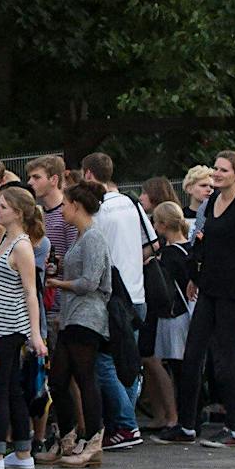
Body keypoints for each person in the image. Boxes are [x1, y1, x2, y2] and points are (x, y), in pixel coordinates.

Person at [162, 151, 235, 447]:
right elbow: (203, 242)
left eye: (223, 170)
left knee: (225, 356)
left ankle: (233, 427)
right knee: (192, 354)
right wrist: (194, 276)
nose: (217, 174)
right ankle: (187, 424)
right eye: (215, 169)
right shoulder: (210, 204)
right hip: (208, 287)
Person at [40, 181, 112, 468]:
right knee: (58, 380)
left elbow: (90, 282)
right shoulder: (82, 237)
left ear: (77, 206)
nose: (63, 210)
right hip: (73, 316)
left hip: (87, 317)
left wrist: (59, 283)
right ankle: (68, 436)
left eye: (67, 205)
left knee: (84, 377)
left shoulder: (93, 237)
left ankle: (94, 438)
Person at [80, 153, 147, 450]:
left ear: (89, 175)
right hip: (137, 293)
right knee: (129, 363)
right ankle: (125, 424)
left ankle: (126, 424)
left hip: (114, 297)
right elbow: (151, 245)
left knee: (105, 363)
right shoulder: (131, 203)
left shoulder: (100, 213)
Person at [0, 185, 46, 469]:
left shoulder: (21, 245)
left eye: (4, 206)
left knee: (1, 388)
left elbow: (30, 291)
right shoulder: (5, 240)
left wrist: (34, 333)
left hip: (9, 325)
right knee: (11, 388)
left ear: (18, 212)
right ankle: (22, 449)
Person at [141, 202, 195, 432]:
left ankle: (176, 418)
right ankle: (183, 416)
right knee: (183, 366)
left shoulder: (167, 255)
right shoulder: (190, 248)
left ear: (162, 225)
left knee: (175, 366)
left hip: (174, 315)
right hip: (189, 311)